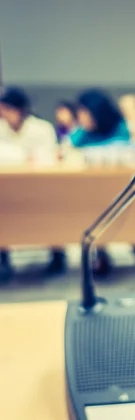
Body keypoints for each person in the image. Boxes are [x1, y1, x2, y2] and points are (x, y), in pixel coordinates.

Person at [70, 89, 135, 275]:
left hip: (122, 188)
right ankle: (101, 252)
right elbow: (67, 150)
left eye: (84, 112)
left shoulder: (121, 127)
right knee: (96, 212)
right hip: (92, 192)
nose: (81, 118)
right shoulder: (81, 133)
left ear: (97, 111)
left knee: (130, 210)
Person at [0, 87, 66, 278]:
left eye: (7, 109)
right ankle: (3, 255)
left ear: (19, 110)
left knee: (51, 209)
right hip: (8, 187)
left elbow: (49, 158)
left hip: (40, 186)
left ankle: (56, 253)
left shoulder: (41, 129)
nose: (3, 114)